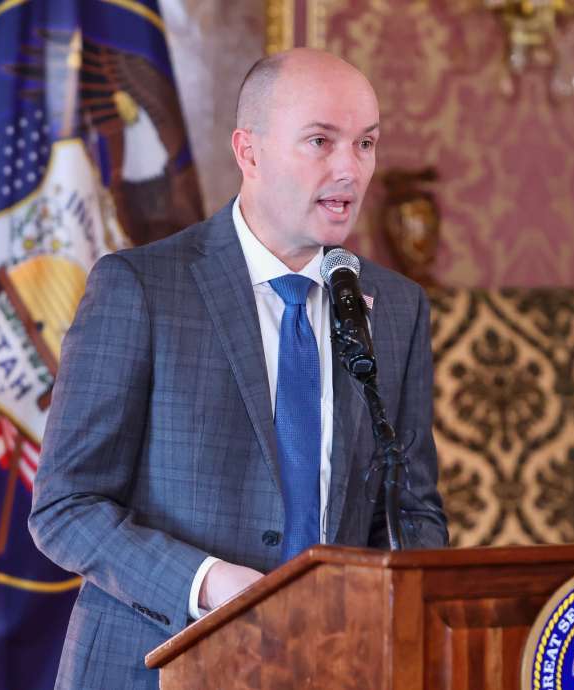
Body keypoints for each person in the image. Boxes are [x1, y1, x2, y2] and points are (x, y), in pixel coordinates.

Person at [29, 47, 448, 690]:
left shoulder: (394, 308)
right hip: (156, 665)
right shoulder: (141, 288)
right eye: (320, 141)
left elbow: (410, 511)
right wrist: (209, 584)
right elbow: (65, 506)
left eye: (365, 143)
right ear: (247, 151)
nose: (350, 169)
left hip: (333, 668)